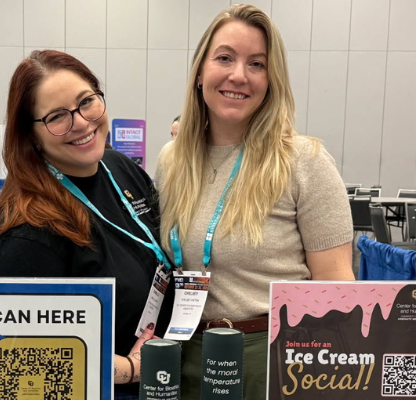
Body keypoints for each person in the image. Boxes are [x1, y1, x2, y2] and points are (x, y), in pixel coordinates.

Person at [154, 5, 354, 399]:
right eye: (225, 57)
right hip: (180, 353)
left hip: (274, 359)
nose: (239, 75)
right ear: (199, 71)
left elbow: (337, 291)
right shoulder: (171, 160)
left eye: (257, 64)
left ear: (271, 80)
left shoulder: (304, 161)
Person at [0, 50, 173, 400]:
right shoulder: (29, 234)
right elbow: (28, 360)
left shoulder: (120, 168)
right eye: (57, 117)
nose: (82, 123)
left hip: (162, 382)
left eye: (87, 102)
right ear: (31, 135)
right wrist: (128, 370)